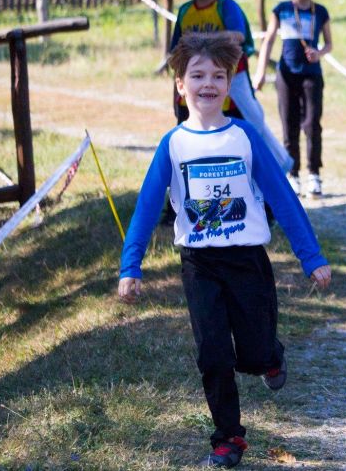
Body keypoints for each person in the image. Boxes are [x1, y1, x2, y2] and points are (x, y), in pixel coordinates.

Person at [118, 32, 332, 469]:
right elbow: (145, 207)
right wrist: (131, 266)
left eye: (218, 75)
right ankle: (228, 437)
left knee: (252, 355)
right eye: (197, 75)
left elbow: (283, 199)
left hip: (248, 260)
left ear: (232, 82)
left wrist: (312, 257)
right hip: (200, 264)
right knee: (213, 354)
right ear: (180, 85)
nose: (208, 83)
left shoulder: (245, 137)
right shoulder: (173, 145)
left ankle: (271, 355)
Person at [169, 0, 293, 173]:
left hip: (232, 76)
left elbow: (237, 35)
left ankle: (278, 168)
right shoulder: (186, 11)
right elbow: (176, 49)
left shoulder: (225, 5)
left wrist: (201, 40)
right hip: (197, 79)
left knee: (253, 123)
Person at [254, 0, 332, 198]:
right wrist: (259, 73)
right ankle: (293, 174)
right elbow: (268, 41)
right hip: (286, 75)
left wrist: (319, 53)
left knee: (311, 124)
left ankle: (314, 175)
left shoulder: (321, 12)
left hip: (312, 75)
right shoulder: (282, 9)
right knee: (289, 125)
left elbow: (329, 43)